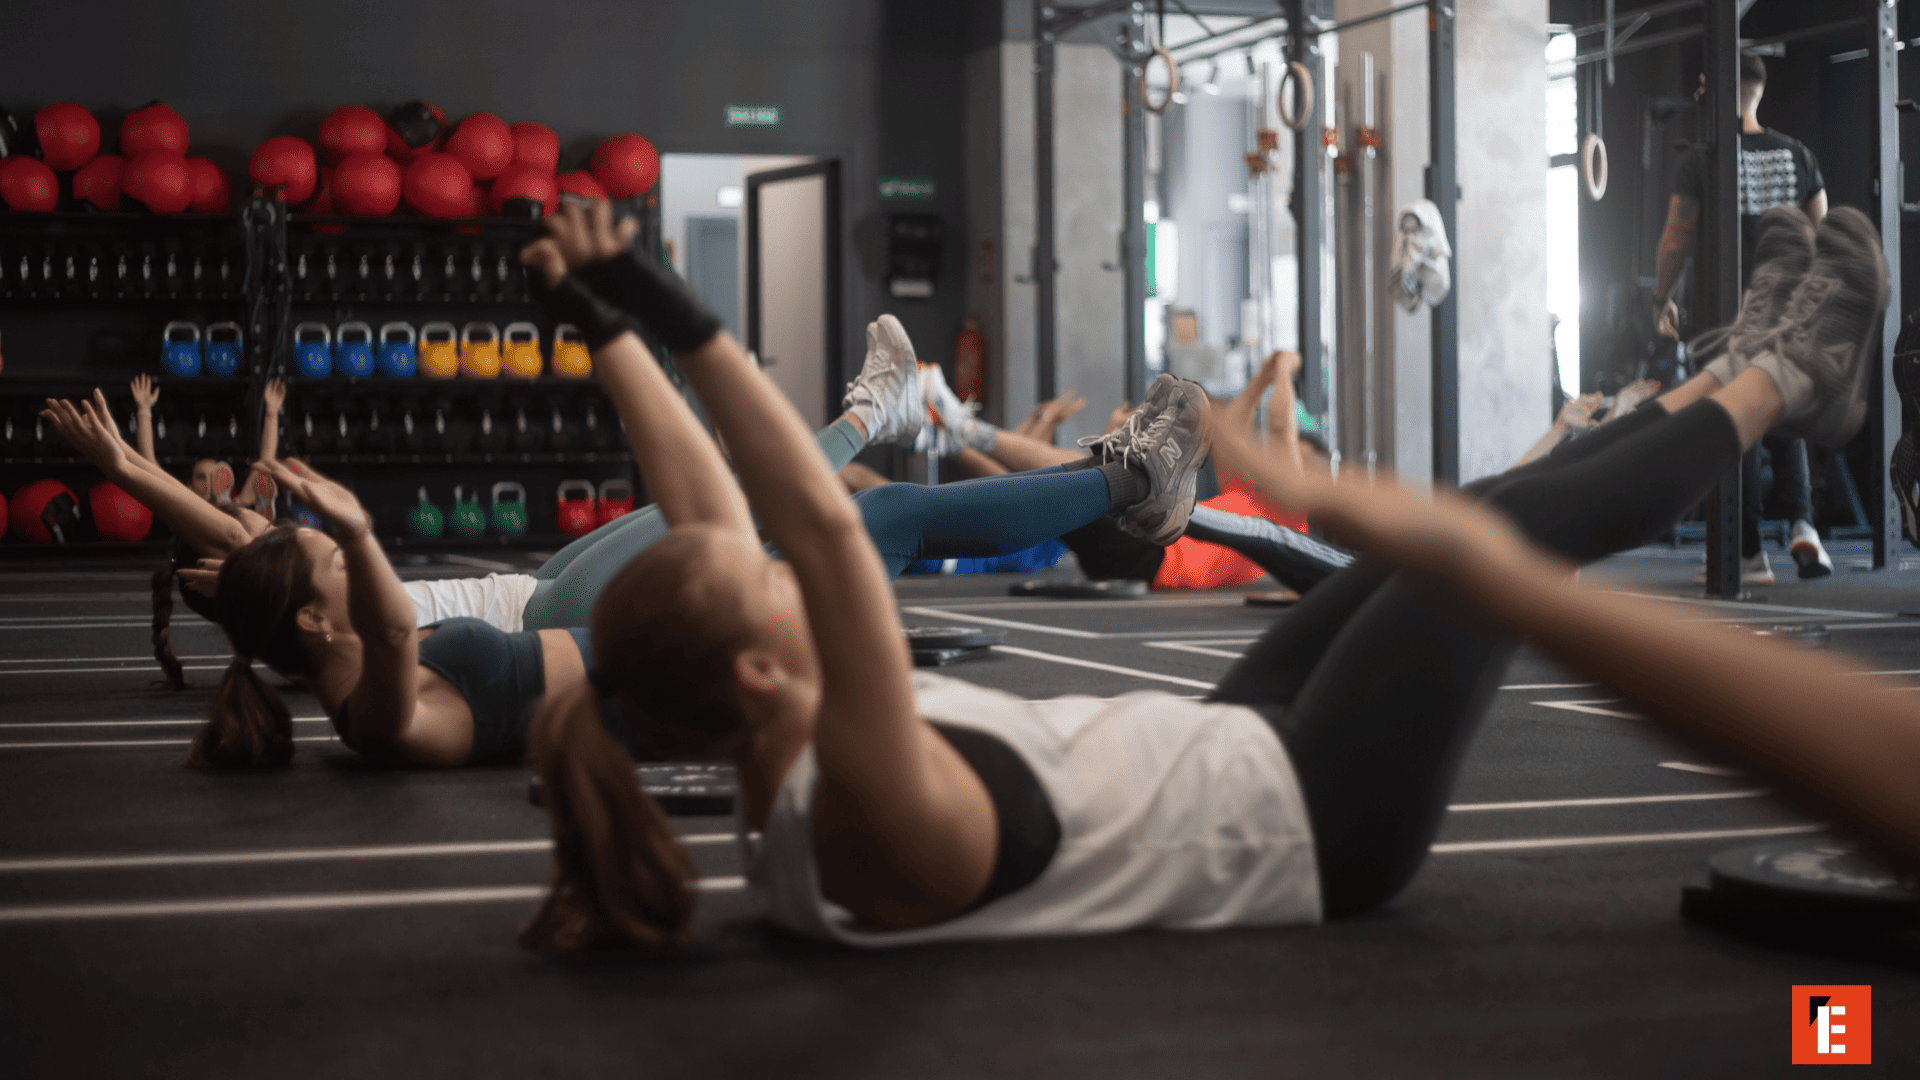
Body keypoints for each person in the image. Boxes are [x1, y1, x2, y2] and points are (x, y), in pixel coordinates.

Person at [518, 202, 1896, 951]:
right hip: (1314, 817)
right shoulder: (857, 804)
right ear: (762, 665)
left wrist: (606, 327)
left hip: (1232, 743)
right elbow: (814, 529)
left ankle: (1737, 370)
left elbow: (732, 515)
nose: (777, 568)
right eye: (758, 587)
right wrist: (681, 311)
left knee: (1476, 511)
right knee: (1504, 544)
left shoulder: (783, 751)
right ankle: (1788, 378)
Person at [41, 202, 1204, 769]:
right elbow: (388, 635)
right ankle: (1107, 477)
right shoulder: (381, 717)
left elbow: (363, 610)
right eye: (325, 561)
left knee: (855, 512)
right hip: (689, 658)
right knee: (877, 517)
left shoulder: (361, 661)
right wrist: (348, 531)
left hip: (636, 620)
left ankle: (1103, 477)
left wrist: (134, 466)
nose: (338, 550)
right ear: (311, 620)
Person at [922, 351, 1352, 594]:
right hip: (1139, 548)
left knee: (1084, 473)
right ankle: (951, 438)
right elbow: (1234, 431)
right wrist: (1260, 377)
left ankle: (962, 430)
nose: (1283, 462)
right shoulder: (1248, 496)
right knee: (1056, 484)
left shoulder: (1290, 517)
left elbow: (1280, 428)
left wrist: (1284, 372)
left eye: (1297, 459)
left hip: (1149, 553)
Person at [1653, 51, 1832, 582]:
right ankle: (1803, 523)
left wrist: (1661, 298)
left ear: (1717, 89)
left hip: (1726, 314)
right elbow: (1822, 235)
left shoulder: (1703, 158)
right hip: (1786, 310)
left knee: (1738, 421)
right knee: (1782, 409)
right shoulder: (1798, 154)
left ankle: (1748, 551)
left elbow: (1676, 237)